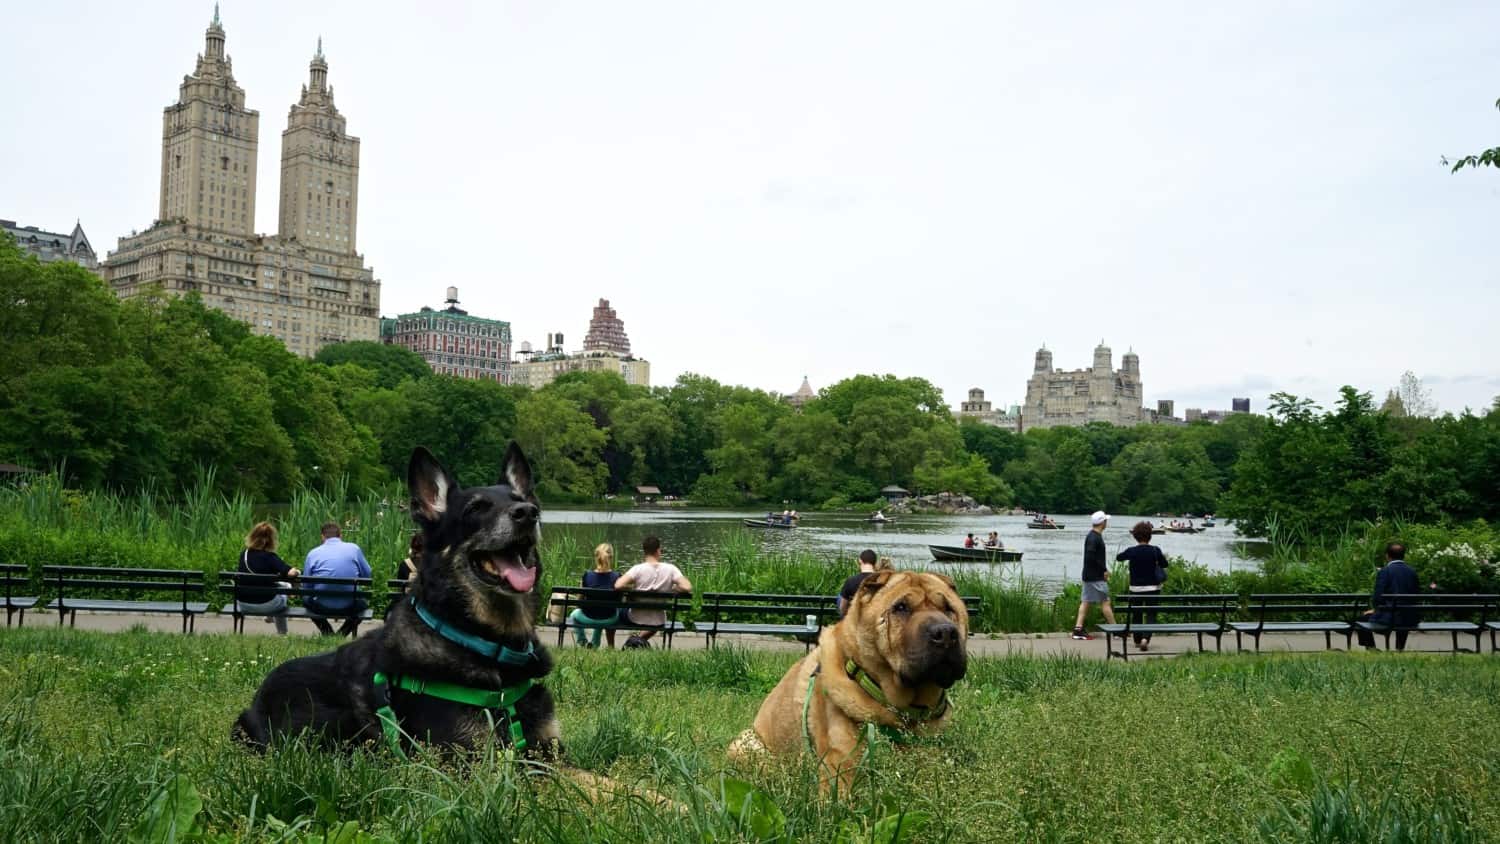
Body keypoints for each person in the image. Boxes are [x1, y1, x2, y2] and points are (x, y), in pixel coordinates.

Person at [614, 535, 692, 649]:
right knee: (654, 621)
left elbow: (618, 585)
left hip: (635, 618)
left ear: (644, 551)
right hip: (658, 620)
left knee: (618, 610)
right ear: (658, 550)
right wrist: (673, 588)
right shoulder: (671, 569)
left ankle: (635, 641)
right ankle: (637, 641)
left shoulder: (638, 569)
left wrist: (632, 589)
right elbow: (687, 587)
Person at [302, 521, 372, 636]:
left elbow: (306, 586)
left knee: (306, 600)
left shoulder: (313, 553)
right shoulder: (354, 549)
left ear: (322, 536)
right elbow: (367, 575)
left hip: (321, 606)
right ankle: (342, 634)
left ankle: (327, 633)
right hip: (350, 605)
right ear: (340, 535)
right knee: (363, 604)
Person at [234, 522, 299, 635]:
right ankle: (282, 633)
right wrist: (297, 571)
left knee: (281, 586)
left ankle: (270, 617)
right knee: (283, 591)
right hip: (267, 604)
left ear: (253, 536)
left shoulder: (244, 554)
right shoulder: (270, 557)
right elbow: (291, 573)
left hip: (244, 604)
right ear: (270, 540)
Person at [1356, 542, 1421, 651]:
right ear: (1404, 555)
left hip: (1390, 617)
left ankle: (1371, 649)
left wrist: (1376, 610)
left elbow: (1378, 597)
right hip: (1410, 617)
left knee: (1361, 619)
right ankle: (1399, 649)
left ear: (1387, 555)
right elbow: (1416, 595)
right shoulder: (1412, 572)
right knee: (1403, 612)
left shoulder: (1385, 571)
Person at [1116, 521, 1169, 650]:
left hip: (1135, 589)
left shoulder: (1132, 551)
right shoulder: (1155, 551)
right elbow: (1165, 564)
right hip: (1153, 588)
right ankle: (1146, 638)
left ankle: (1137, 640)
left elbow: (1119, 557)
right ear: (1150, 536)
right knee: (1151, 614)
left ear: (1135, 536)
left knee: (1137, 614)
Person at [1071, 511, 1117, 640]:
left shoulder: (1092, 536)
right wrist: (1104, 570)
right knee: (1106, 602)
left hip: (1088, 575)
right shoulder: (1094, 538)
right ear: (1102, 522)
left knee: (1086, 602)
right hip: (1095, 577)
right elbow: (1091, 557)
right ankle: (1115, 630)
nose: (1107, 523)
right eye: (1106, 521)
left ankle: (1078, 629)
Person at [571, 543, 623, 648]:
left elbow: (579, 601)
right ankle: (594, 644)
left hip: (588, 617)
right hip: (609, 619)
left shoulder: (587, 575)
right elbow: (619, 601)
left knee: (574, 615)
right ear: (611, 557)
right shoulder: (617, 577)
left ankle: (582, 641)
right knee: (602, 610)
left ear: (596, 557)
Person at [837, 549, 879, 616]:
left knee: (840, 596)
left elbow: (842, 608)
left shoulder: (850, 581)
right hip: (873, 620)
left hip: (854, 619)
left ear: (860, 561)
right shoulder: (881, 581)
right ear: (875, 563)